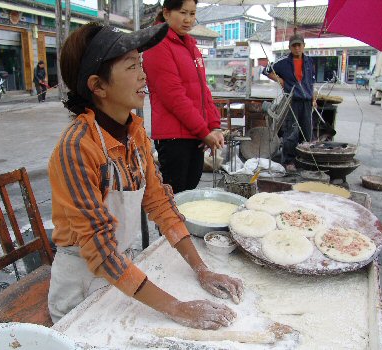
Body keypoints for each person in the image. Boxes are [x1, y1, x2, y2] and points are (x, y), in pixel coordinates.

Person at [47, 22, 243, 328]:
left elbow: (160, 204)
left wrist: (201, 268)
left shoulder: (135, 133)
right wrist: (176, 308)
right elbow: (100, 253)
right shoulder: (77, 149)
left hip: (125, 273)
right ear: (98, 86)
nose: (143, 75)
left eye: (141, 63)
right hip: (81, 286)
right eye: (131, 66)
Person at [142, 0, 224, 194]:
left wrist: (214, 125)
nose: (188, 20)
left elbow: (203, 90)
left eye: (192, 14)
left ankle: (186, 226)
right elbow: (174, 96)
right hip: (174, 136)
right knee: (174, 194)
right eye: (183, 13)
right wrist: (204, 132)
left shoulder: (190, 45)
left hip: (195, 134)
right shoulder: (158, 44)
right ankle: (168, 226)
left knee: (191, 188)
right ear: (166, 13)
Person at [263, 33, 316, 172]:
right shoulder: (283, 62)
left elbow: (311, 83)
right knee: (291, 131)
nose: (297, 48)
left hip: (307, 102)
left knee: (307, 131)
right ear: (290, 47)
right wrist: (280, 80)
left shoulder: (309, 62)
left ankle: (304, 159)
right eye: (294, 46)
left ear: (304, 46)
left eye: (299, 45)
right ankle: (288, 161)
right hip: (291, 101)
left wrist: (314, 99)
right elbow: (266, 70)